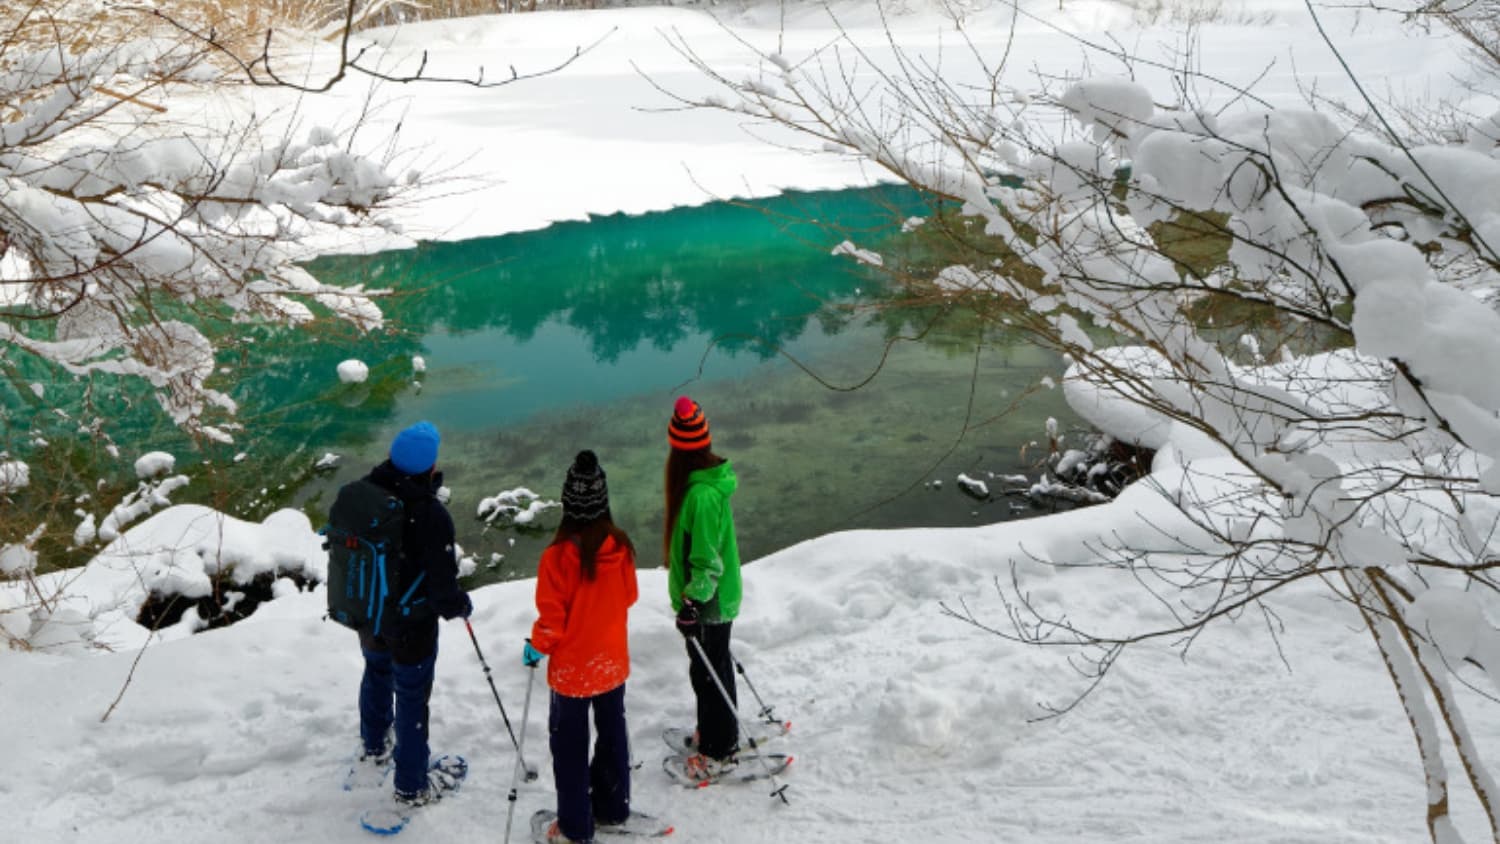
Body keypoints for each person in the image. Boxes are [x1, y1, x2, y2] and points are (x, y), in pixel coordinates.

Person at [356, 421, 473, 807]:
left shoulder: (364, 492)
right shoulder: (431, 515)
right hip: (411, 626)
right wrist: (460, 604)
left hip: (369, 613)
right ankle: (411, 786)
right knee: (410, 696)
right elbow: (442, 592)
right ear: (428, 465)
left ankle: (374, 743)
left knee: (376, 670)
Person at [527, 450, 640, 844]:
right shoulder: (620, 546)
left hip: (573, 673)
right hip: (611, 665)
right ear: (604, 502)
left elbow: (552, 623)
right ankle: (612, 807)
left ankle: (575, 827)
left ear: (567, 505)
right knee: (612, 733)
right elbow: (629, 597)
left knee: (570, 748)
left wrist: (535, 646)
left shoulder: (556, 558)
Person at [664, 396, 743, 780]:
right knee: (710, 668)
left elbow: (708, 562)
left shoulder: (702, 495)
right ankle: (715, 733)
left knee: (710, 674)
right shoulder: (702, 488)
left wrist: (691, 603)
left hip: (709, 602)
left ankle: (719, 748)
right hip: (708, 600)